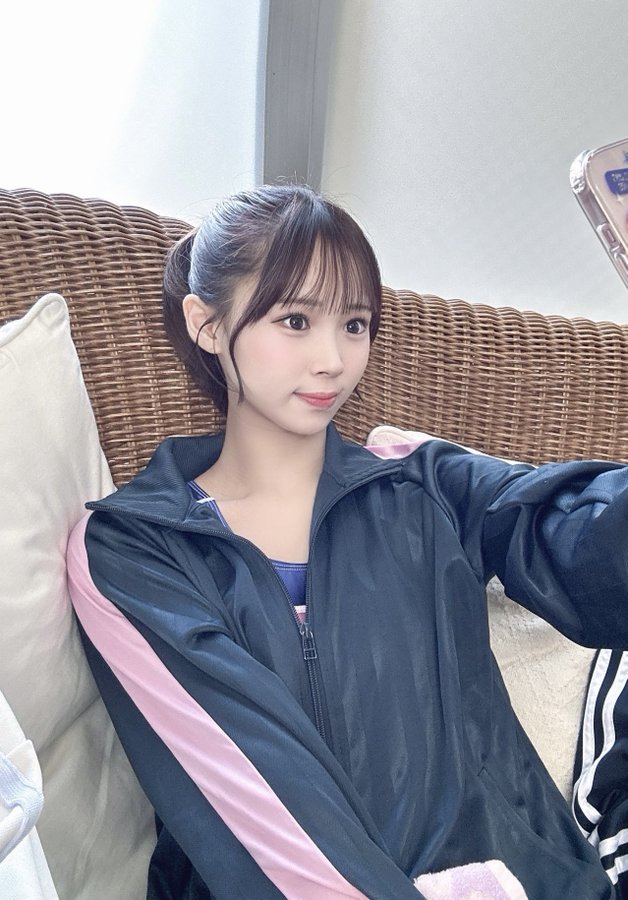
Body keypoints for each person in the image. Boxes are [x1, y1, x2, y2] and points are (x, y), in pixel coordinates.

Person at [66, 184, 628, 899]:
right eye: (295, 320)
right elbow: (256, 810)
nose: (333, 359)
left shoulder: (423, 485)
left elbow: (577, 536)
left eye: (355, 324)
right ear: (206, 324)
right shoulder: (132, 547)